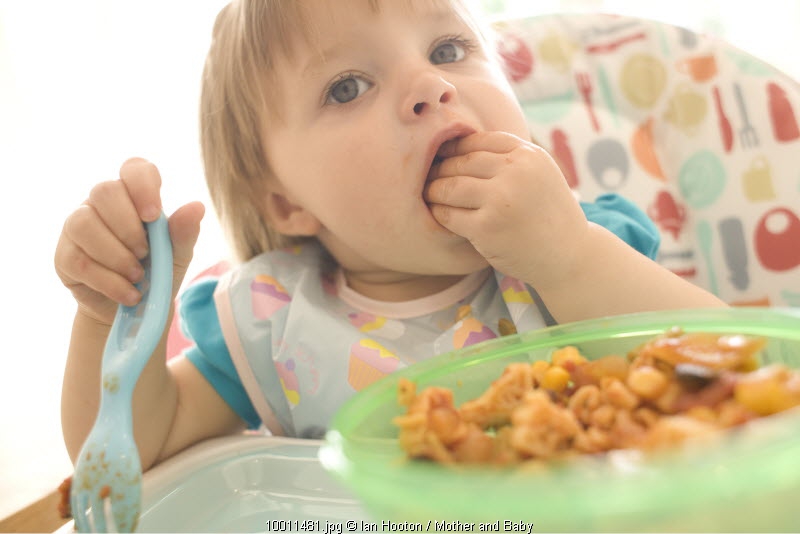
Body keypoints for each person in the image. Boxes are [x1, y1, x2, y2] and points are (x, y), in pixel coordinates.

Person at [56, 0, 726, 472]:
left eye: (448, 49)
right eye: (347, 87)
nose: (429, 85)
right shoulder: (277, 324)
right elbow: (127, 455)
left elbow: (738, 369)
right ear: (287, 202)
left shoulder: (574, 249)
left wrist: (571, 256)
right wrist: (111, 322)